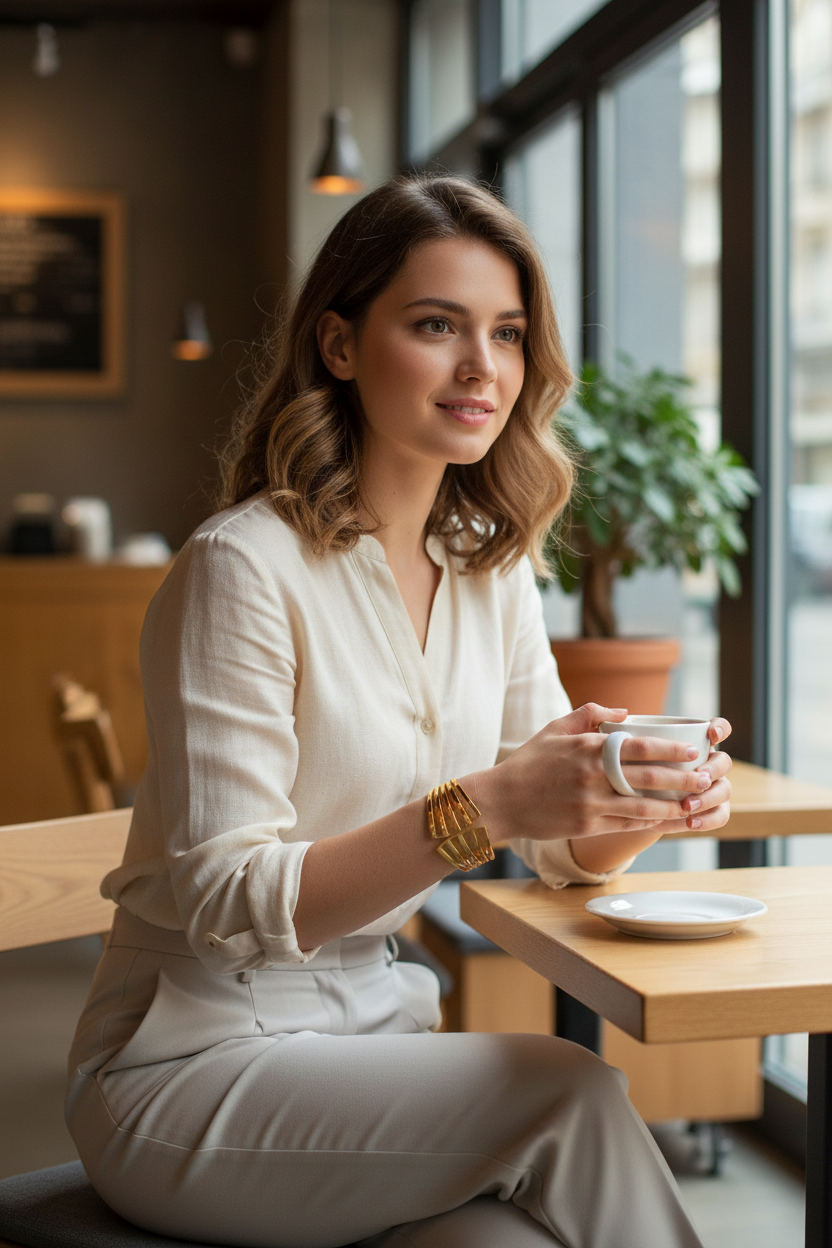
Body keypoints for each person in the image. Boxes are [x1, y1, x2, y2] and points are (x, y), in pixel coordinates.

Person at [65, 175, 732, 1248]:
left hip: (379, 1042)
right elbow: (229, 902)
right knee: (569, 1094)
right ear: (338, 345)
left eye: (508, 334)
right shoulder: (242, 569)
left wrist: (637, 792)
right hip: (194, 1065)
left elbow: (563, 854)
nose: (484, 368)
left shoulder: (490, 573)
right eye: (437, 326)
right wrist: (490, 806)